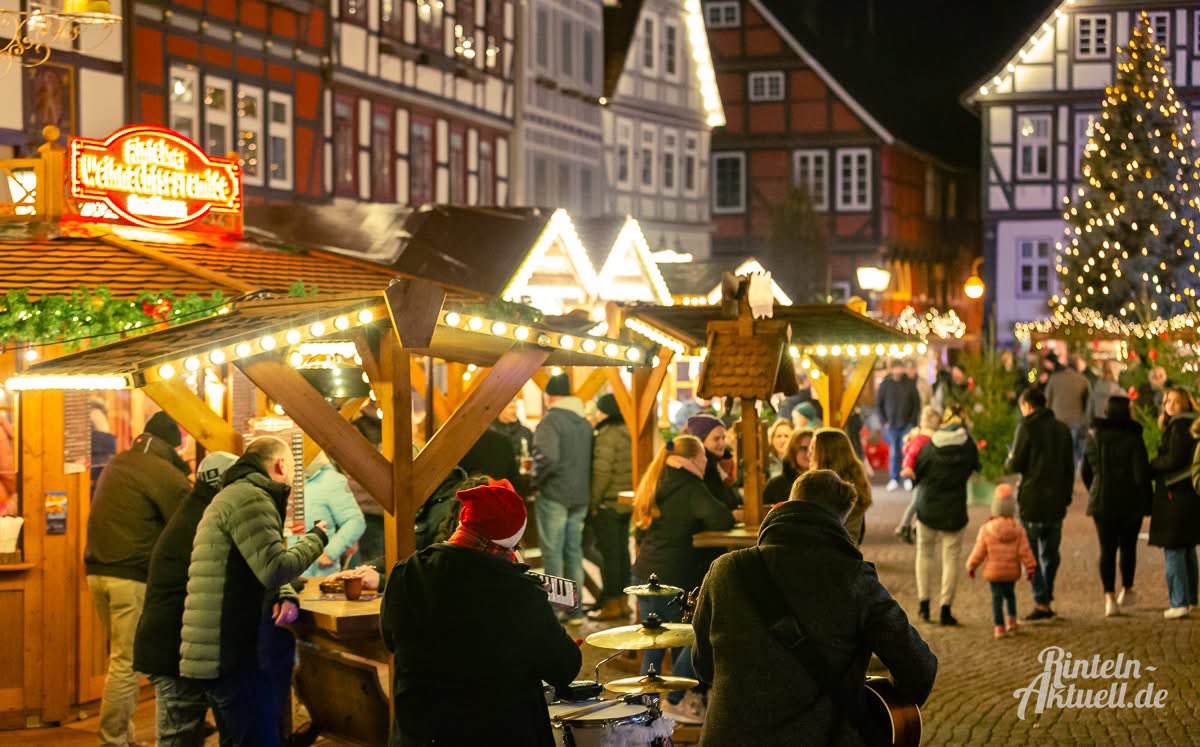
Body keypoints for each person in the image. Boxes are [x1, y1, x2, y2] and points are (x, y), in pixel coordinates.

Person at [691, 470, 937, 745]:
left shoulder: (725, 569)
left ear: (786, 504)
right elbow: (920, 671)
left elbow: (704, 667)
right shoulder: (854, 579)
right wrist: (873, 702)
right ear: (841, 522)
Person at [381, 481, 581, 745]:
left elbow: (390, 640)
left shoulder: (406, 571)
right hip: (495, 732)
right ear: (512, 540)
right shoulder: (518, 591)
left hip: (420, 732)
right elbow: (564, 667)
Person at [179, 437, 329, 746]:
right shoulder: (251, 498)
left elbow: (254, 564)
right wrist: (317, 538)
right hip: (232, 653)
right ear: (281, 465)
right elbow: (274, 567)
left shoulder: (234, 495)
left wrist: (284, 594)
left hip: (219, 650)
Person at [85, 411, 191, 747]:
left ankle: (124, 736)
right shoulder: (163, 472)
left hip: (98, 573)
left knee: (121, 657)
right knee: (126, 661)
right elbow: (187, 526)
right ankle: (113, 739)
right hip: (129, 577)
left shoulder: (119, 462)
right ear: (171, 445)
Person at [133, 451, 237, 747]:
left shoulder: (197, 511)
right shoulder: (207, 521)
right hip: (174, 652)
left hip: (173, 648)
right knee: (178, 737)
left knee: (183, 735)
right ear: (223, 483)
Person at [631, 435, 734, 724]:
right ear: (694, 459)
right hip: (672, 576)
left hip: (645, 572)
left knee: (654, 643)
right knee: (696, 636)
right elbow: (721, 519)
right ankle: (675, 700)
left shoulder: (659, 478)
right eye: (703, 458)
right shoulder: (690, 486)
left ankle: (645, 708)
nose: (706, 463)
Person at [1006, 388, 1074, 620]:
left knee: (1031, 554)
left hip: (1032, 499)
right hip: (1056, 501)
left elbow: (1016, 464)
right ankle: (1046, 597)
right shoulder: (1062, 429)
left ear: (1027, 405)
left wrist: (1010, 458)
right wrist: (1066, 496)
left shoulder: (1026, 427)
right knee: (1051, 555)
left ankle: (1041, 600)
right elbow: (1069, 468)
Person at [1082, 395, 1152, 617]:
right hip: (1130, 501)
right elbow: (1141, 474)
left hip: (1102, 500)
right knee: (1129, 547)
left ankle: (1109, 597)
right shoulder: (1134, 438)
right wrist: (1147, 502)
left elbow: (1085, 471)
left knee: (1107, 548)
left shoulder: (1094, 436)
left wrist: (1094, 489)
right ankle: (1127, 589)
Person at [532, 373, 593, 624]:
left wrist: (535, 481)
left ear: (550, 396)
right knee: (574, 552)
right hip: (580, 496)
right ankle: (575, 611)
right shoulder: (584, 423)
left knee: (553, 553)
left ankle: (557, 610)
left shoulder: (551, 422)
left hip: (554, 494)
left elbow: (547, 458)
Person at [911, 406, 980, 626]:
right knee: (951, 558)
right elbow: (975, 467)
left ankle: (924, 606)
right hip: (955, 509)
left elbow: (916, 474)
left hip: (928, 507)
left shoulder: (929, 447)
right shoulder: (968, 445)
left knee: (924, 553)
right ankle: (945, 609)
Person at [1150, 387, 1200, 619]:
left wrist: (1152, 465)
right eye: (1167, 400)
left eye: (1175, 401)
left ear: (1186, 404)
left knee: (1174, 548)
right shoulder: (1191, 425)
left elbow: (1174, 460)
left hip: (1175, 495)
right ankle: (1190, 599)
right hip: (1188, 495)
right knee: (1187, 548)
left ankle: (1178, 601)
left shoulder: (1179, 427)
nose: (1170, 405)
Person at [965, 485, 1036, 638]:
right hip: (1011, 572)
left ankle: (999, 627)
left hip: (994, 573)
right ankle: (1012, 622)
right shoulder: (1018, 528)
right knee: (1010, 595)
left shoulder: (986, 529)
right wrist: (1030, 567)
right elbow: (1025, 551)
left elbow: (979, 551)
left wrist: (971, 566)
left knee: (996, 599)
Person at [588, 393, 634, 621]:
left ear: (605, 412)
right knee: (622, 554)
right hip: (625, 502)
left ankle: (612, 605)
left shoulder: (607, 435)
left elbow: (602, 473)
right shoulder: (629, 431)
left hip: (608, 503)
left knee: (610, 557)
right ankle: (624, 603)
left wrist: (593, 502)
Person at [301, 452, 366, 577]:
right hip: (281, 576)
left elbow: (355, 520)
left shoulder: (331, 480)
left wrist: (330, 552)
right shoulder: (281, 478)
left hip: (317, 576)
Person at [809, 429, 872, 545]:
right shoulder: (852, 483)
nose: (809, 455)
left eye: (813, 450)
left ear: (827, 455)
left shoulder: (838, 491)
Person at [894, 406, 942, 544]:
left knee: (920, 502)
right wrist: (908, 467)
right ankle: (904, 526)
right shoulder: (924, 439)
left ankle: (913, 526)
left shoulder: (925, 437)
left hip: (922, 475)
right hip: (921, 476)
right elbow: (911, 453)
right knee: (916, 502)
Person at [877, 360, 921, 491]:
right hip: (891, 425)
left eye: (900, 368)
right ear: (892, 370)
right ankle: (894, 478)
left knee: (907, 452)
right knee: (894, 452)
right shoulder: (885, 385)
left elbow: (916, 405)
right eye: (896, 368)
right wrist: (884, 421)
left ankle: (907, 478)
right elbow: (879, 404)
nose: (898, 371)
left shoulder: (910, 384)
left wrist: (912, 422)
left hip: (907, 424)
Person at [684, 414, 740, 510]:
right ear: (700, 441)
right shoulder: (705, 469)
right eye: (716, 439)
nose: (722, 443)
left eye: (723, 438)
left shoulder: (720, 464)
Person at [1046, 355, 1091, 463]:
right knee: (1072, 452)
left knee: (1057, 451)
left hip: (1057, 419)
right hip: (1075, 420)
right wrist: (1086, 422)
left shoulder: (1054, 378)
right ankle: (1071, 470)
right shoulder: (1083, 380)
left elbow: (1047, 400)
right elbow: (1089, 403)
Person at [492, 399, 534, 496]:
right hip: (497, 485)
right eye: (511, 408)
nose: (514, 411)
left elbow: (531, 456)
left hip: (521, 486)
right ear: (500, 409)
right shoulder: (492, 433)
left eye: (516, 408)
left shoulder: (525, 432)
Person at [762, 428, 813, 505]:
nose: (809, 453)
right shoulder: (775, 485)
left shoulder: (825, 484)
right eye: (803, 448)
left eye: (812, 448)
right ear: (793, 450)